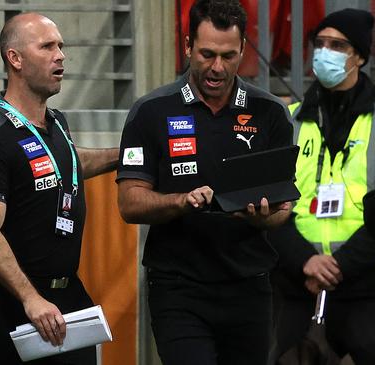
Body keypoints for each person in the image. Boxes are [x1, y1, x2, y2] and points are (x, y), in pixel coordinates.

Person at [117, 0, 294, 364]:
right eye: (207, 54)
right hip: (178, 288)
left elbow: (282, 209)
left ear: (243, 48)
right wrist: (182, 202)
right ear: (187, 46)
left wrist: (262, 217)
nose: (217, 67)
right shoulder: (151, 110)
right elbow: (130, 203)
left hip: (249, 285)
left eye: (229, 56)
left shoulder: (271, 112)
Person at [0, 12, 118, 365]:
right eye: (47, 46)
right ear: (14, 58)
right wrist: (30, 298)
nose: (60, 54)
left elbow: (71, 162)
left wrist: (124, 157)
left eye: (61, 45)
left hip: (65, 297)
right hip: (10, 303)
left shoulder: (56, 122)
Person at [269, 8, 375, 365]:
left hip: (368, 286)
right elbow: (266, 202)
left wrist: (337, 265)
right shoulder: (288, 120)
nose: (325, 52)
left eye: (337, 45)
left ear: (360, 56)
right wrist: (305, 260)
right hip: (296, 282)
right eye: (319, 43)